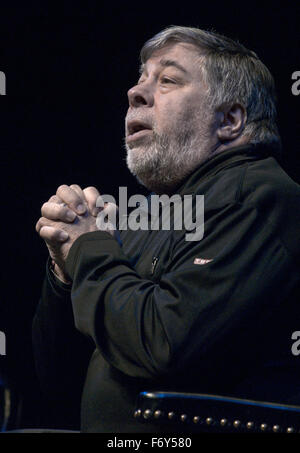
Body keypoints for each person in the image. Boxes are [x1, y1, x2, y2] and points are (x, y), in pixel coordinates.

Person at [33, 25, 300, 433]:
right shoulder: (151, 216)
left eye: (168, 80)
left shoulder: (258, 196)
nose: (135, 93)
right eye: (140, 79)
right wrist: (66, 272)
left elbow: (163, 344)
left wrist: (89, 247)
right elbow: (57, 381)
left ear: (230, 120)